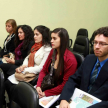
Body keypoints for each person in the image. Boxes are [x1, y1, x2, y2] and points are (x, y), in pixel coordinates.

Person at [59, 26, 108, 108]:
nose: (96, 46)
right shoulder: (89, 59)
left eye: (102, 44)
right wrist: (64, 98)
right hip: (79, 102)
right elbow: (73, 79)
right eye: (95, 42)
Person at [4, 25, 52, 104]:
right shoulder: (36, 46)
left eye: (37, 34)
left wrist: (25, 69)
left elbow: (41, 68)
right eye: (34, 34)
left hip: (34, 75)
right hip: (27, 70)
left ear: (43, 35)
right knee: (7, 83)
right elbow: (27, 58)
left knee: (13, 87)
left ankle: (16, 104)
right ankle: (12, 103)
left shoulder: (47, 49)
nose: (34, 36)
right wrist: (23, 66)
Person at [36, 28, 77, 98]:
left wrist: (45, 93)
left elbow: (65, 85)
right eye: (51, 38)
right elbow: (44, 70)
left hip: (59, 92)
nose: (51, 41)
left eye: (54, 38)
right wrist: (38, 86)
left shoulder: (70, 60)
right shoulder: (53, 51)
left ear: (63, 40)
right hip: (48, 85)